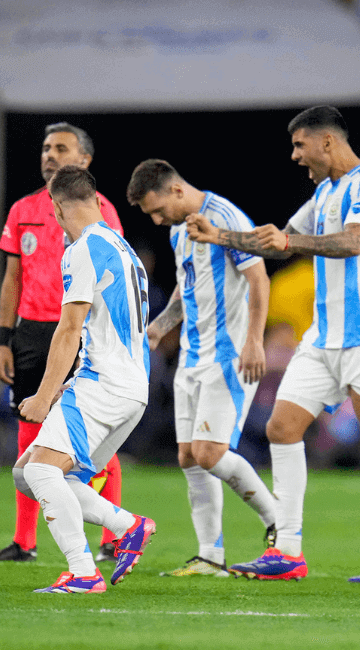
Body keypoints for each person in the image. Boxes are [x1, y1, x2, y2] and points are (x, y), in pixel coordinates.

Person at [186, 105, 360, 584]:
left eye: (299, 145)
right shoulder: (325, 191)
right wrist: (220, 235)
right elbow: (279, 241)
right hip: (322, 338)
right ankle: (287, 551)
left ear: (327, 142)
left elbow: (351, 243)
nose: (294, 156)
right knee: (281, 428)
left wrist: (291, 244)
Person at [0, 122, 125, 563]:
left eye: (61, 148)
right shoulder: (23, 208)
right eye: (45, 148)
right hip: (31, 333)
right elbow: (13, 278)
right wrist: (4, 339)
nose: (49, 155)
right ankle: (25, 542)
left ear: (84, 161)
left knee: (93, 439)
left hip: (77, 331)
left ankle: (112, 539)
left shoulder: (101, 211)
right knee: (28, 434)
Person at [126, 159, 276, 578]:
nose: (157, 220)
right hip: (192, 357)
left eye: (158, 210)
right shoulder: (179, 230)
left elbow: (259, 278)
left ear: (176, 191)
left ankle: (281, 523)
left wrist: (254, 340)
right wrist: (158, 329)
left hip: (228, 356)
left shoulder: (224, 218)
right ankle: (210, 555)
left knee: (210, 453)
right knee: (189, 456)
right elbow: (186, 285)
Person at [12, 165, 154, 594]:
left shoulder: (81, 249)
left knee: (39, 473)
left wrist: (42, 396)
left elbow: (69, 328)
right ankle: (128, 526)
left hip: (103, 384)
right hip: (134, 390)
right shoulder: (124, 248)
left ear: (56, 208)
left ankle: (83, 572)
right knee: (37, 474)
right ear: (96, 199)